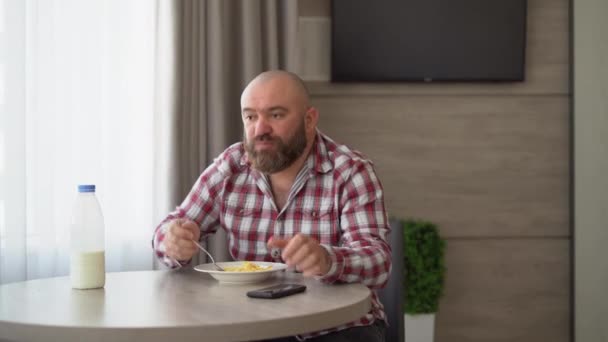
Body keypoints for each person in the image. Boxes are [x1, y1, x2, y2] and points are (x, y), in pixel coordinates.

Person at [152, 70, 392, 341]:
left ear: (309, 119)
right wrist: (172, 241)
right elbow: (170, 229)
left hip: (341, 329)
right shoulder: (230, 166)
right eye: (251, 116)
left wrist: (328, 260)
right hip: (255, 327)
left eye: (276, 115)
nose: (260, 129)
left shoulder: (350, 171)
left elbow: (379, 262)